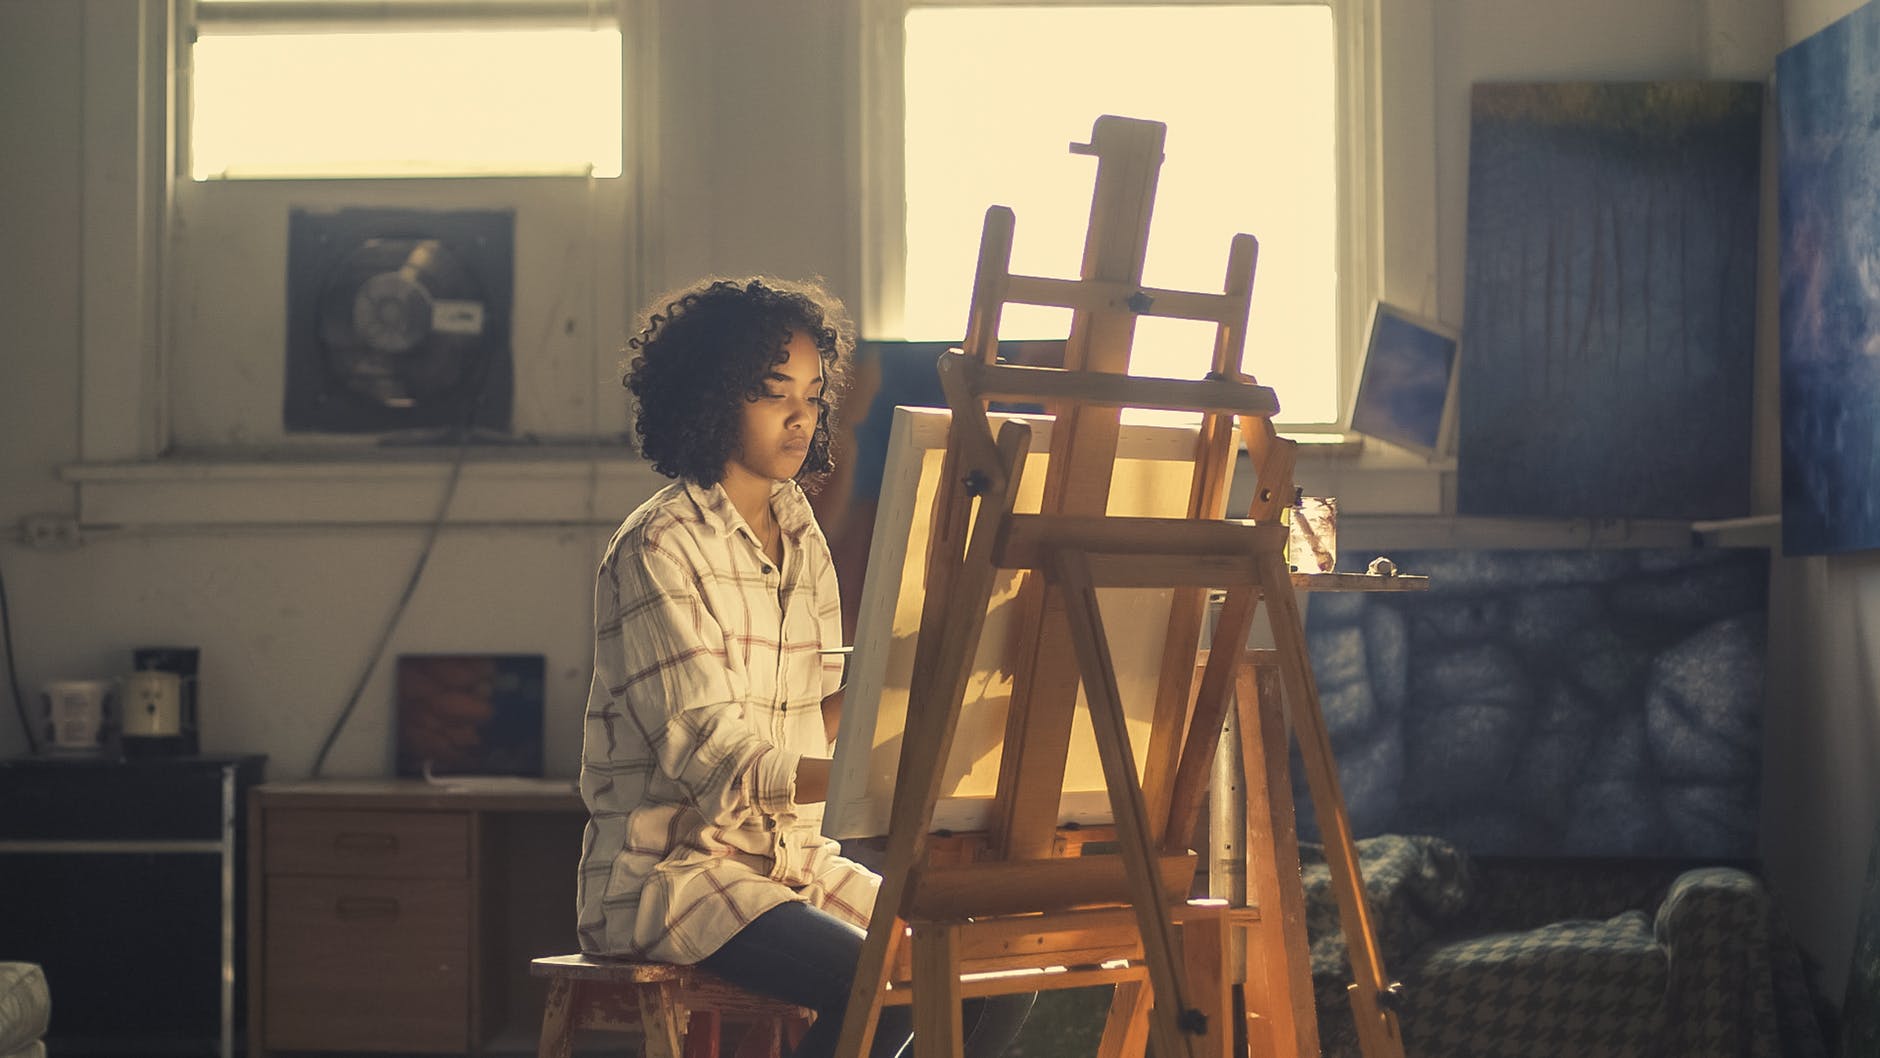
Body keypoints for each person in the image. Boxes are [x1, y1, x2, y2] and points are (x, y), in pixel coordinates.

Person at [577, 276, 1033, 1058]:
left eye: (815, 396)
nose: (800, 415)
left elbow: (813, 722)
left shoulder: (801, 536)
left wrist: (901, 684)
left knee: (997, 972)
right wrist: (887, 775)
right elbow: (718, 765)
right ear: (713, 397)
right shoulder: (660, 547)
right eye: (772, 392)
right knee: (878, 986)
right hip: (681, 877)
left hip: (794, 865)